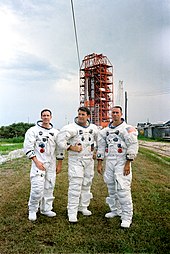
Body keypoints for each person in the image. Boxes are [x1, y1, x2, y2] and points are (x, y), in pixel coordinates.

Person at [97, 106, 138, 228]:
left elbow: (133, 145)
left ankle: (126, 217)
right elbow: (101, 146)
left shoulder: (128, 129)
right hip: (110, 161)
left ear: (121, 114)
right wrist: (99, 162)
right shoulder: (105, 131)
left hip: (122, 161)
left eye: (116, 112)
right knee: (111, 187)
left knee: (122, 189)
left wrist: (128, 163)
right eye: (113, 112)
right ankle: (115, 210)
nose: (114, 114)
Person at [57, 106, 98, 222]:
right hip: (76, 160)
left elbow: (99, 141)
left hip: (89, 160)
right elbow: (60, 141)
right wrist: (70, 147)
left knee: (87, 183)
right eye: (79, 114)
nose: (80, 116)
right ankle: (72, 212)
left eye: (83, 114)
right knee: (75, 185)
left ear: (88, 116)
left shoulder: (94, 128)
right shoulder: (70, 128)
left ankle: (83, 207)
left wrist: (95, 151)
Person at [24, 109, 64, 221]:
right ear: (41, 117)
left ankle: (46, 209)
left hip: (51, 164)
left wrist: (59, 164)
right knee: (37, 188)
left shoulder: (56, 132)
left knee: (49, 187)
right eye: (44, 115)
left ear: (51, 117)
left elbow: (60, 149)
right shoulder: (33, 131)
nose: (46, 117)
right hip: (38, 163)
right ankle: (32, 210)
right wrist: (36, 161)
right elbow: (28, 147)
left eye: (47, 115)